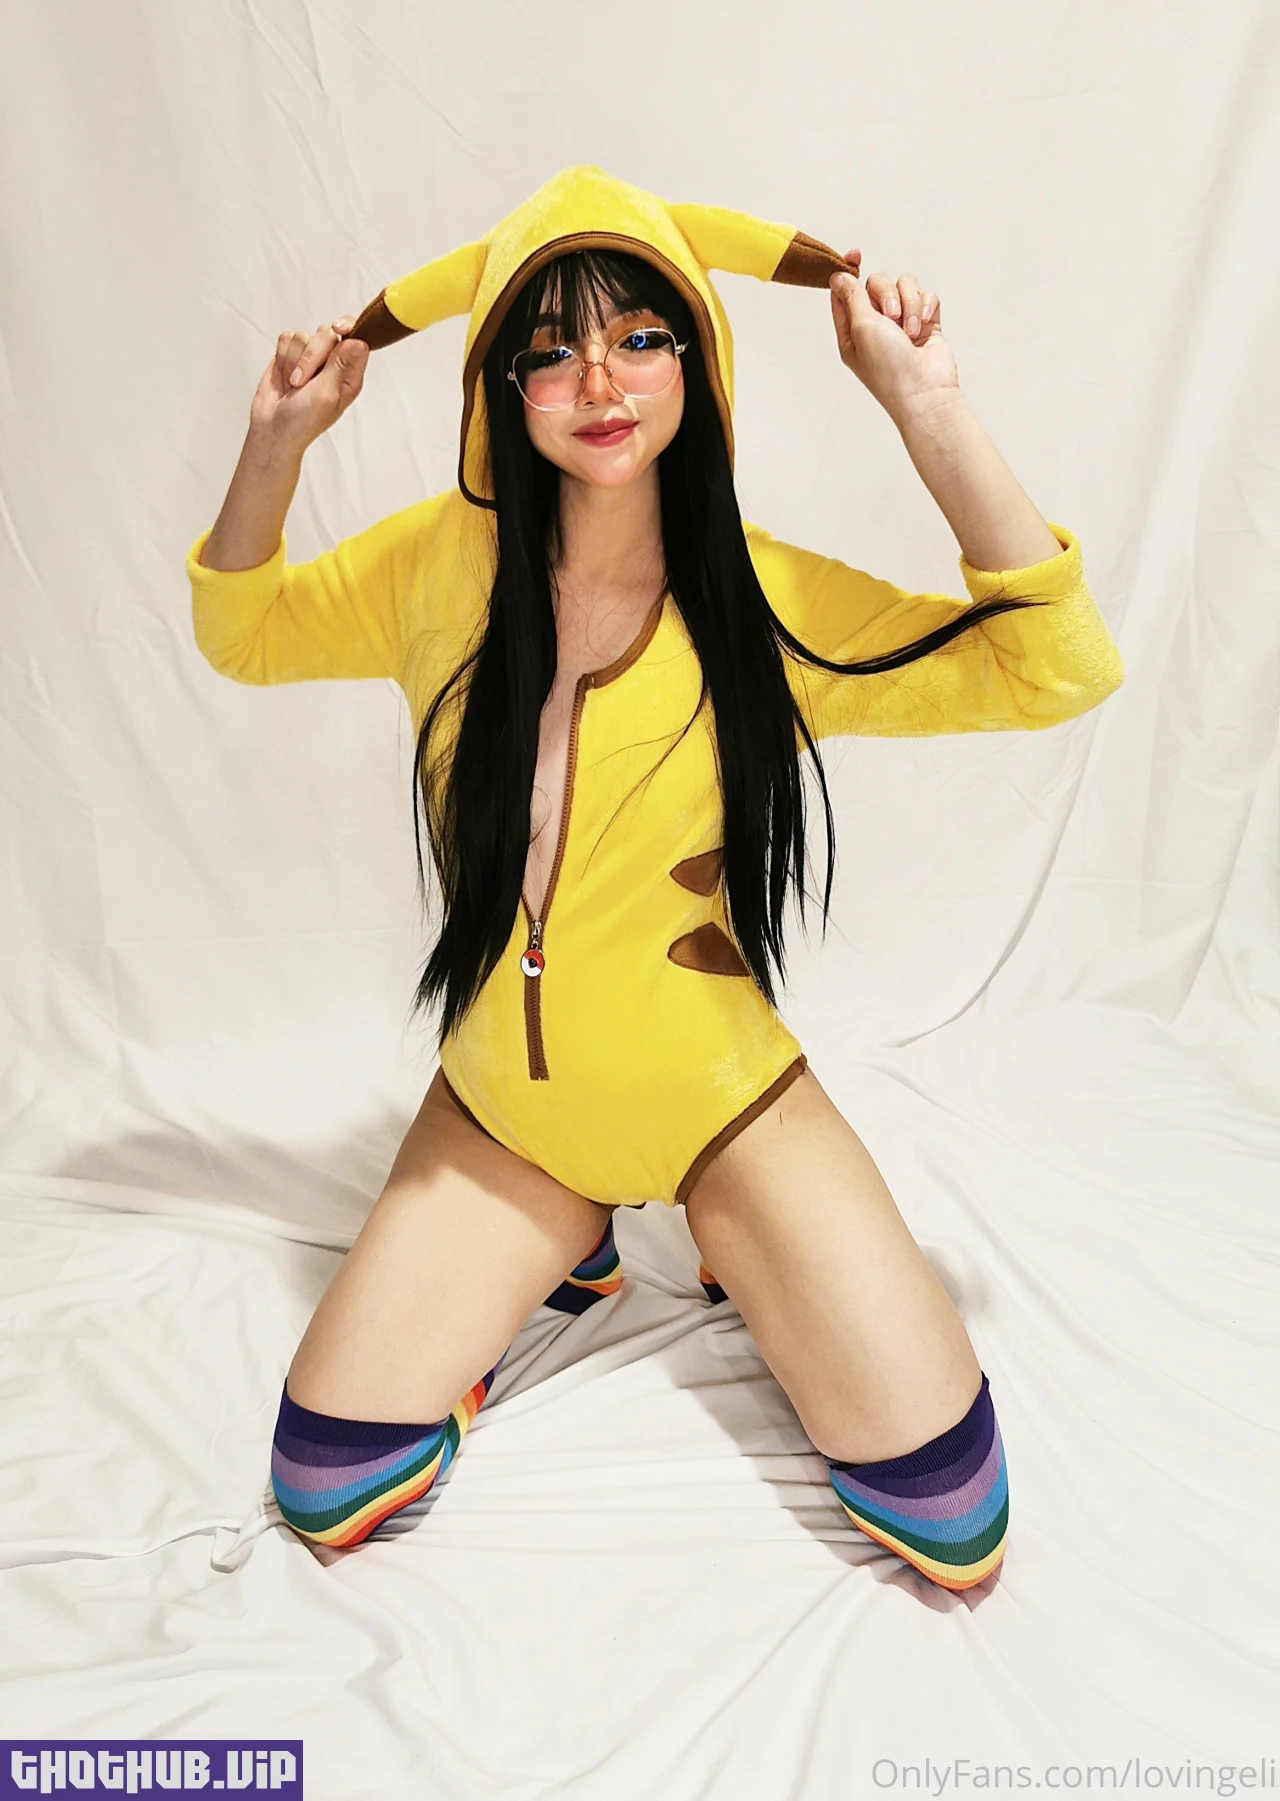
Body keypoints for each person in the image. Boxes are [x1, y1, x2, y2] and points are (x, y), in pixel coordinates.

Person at [187, 167, 1124, 1589]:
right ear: (502, 386)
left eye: (639, 337)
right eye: (549, 349)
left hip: (715, 1102)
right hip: (506, 1106)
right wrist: (277, 446)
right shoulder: (437, 568)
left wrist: (924, 406)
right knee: (324, 1490)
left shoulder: (763, 600)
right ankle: (562, 1244)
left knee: (953, 1518)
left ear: (697, 357)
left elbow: (1058, 667)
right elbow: (242, 630)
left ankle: (739, 1246)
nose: (598, 382)